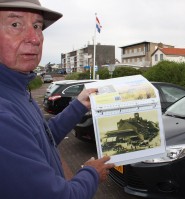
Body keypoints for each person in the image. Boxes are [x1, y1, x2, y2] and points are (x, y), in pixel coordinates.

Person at [0, 0, 115, 198]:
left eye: (37, 26)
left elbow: (43, 138)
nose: (34, 38)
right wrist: (91, 173)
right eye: (15, 24)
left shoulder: (16, 88)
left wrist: (79, 104)